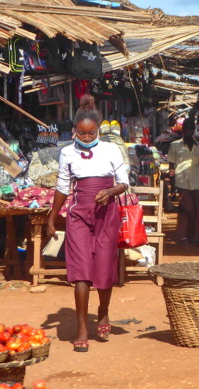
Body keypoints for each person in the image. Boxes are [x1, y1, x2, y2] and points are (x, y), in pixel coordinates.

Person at [47, 95, 129, 352]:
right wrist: (52, 218)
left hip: (107, 213)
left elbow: (124, 181)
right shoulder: (66, 152)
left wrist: (111, 192)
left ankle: (103, 311)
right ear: (75, 131)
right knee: (81, 270)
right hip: (79, 213)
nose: (85, 137)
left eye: (90, 133)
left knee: (104, 267)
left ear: (98, 130)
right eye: (81, 134)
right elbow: (62, 187)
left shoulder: (111, 149)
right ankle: (82, 327)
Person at [168, 116, 199, 245]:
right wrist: (173, 186)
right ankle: (188, 236)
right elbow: (171, 167)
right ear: (183, 130)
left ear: (194, 130)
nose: (189, 131)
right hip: (182, 182)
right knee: (189, 210)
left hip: (198, 182)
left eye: (191, 129)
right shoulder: (174, 146)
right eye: (187, 129)